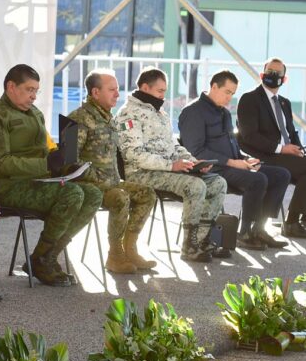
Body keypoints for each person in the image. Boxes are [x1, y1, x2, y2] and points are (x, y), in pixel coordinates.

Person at [0, 64, 102, 287]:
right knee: (71, 194)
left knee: (92, 193)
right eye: (29, 89)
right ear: (11, 87)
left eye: (36, 91)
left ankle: (45, 256)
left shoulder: (35, 114)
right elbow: (1, 163)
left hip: (34, 181)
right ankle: (43, 260)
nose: (34, 96)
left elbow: (43, 151)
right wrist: (46, 164)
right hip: (4, 187)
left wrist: (63, 161)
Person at [116, 67, 227, 263]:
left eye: (164, 92)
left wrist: (193, 162)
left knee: (218, 182)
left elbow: (173, 145)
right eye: (160, 91)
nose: (163, 96)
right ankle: (189, 246)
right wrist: (171, 165)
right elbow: (134, 155)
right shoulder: (128, 115)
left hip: (166, 169)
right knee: (195, 186)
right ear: (144, 87)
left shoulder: (160, 114)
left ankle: (202, 240)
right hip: (142, 173)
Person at [179, 70, 290, 250]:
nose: (230, 98)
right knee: (258, 179)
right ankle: (244, 233)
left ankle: (259, 229)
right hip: (212, 169)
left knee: (281, 175)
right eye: (227, 92)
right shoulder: (193, 112)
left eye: (232, 94)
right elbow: (196, 151)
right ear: (214, 86)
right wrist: (232, 162)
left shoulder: (224, 112)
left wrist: (246, 159)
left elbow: (232, 145)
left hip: (233, 165)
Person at [68, 69, 157, 275]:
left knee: (147, 193)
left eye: (117, 89)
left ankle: (130, 249)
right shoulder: (76, 118)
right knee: (120, 197)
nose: (117, 94)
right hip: (89, 185)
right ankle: (115, 255)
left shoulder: (109, 118)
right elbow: (69, 163)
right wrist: (95, 177)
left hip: (112, 182)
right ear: (95, 92)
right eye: (112, 90)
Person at [237, 58, 306, 238]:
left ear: (284, 79)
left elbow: (291, 132)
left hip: (287, 155)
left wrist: (299, 149)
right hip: (263, 154)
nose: (273, 76)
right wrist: (281, 149)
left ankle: (297, 220)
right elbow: (249, 136)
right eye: (270, 72)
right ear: (262, 74)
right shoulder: (249, 99)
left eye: (278, 74)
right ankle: (292, 222)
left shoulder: (285, 102)